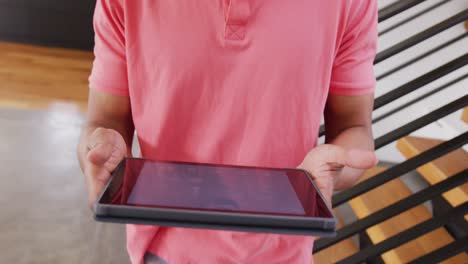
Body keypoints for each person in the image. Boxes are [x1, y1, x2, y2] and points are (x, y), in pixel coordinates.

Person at [78, 0, 378, 263]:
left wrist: (332, 171)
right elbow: (104, 119)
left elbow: (354, 127)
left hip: (283, 249)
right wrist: (99, 149)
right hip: (164, 249)